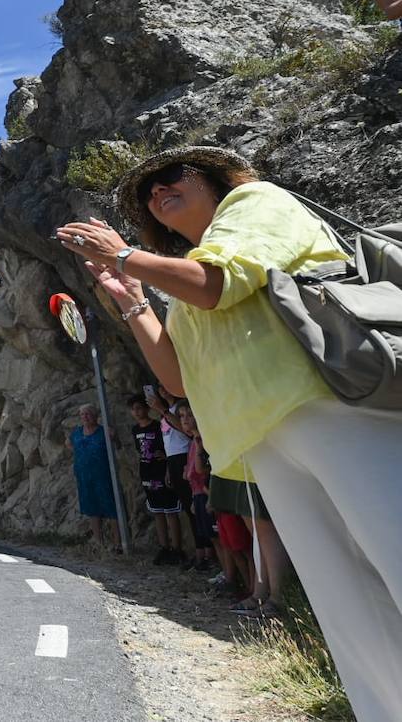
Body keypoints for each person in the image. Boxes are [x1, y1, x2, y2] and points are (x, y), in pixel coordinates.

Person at [57, 145, 402, 719]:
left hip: (329, 406)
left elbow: (219, 284)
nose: (157, 192)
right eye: (147, 194)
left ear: (215, 178)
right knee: (348, 609)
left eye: (171, 177)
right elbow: (176, 378)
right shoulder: (189, 271)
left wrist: (124, 257)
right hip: (264, 443)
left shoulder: (255, 201)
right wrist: (136, 303)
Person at [128, 395, 184, 564]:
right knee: (157, 511)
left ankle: (177, 548)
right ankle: (164, 547)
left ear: (146, 408)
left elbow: (167, 446)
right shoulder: (135, 430)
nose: (137, 412)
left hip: (161, 470)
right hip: (147, 472)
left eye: (139, 408)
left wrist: (167, 464)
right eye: (133, 409)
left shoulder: (157, 426)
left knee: (170, 511)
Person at [147, 385, 195, 556]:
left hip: (186, 455)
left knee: (194, 506)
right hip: (174, 459)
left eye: (167, 384)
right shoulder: (166, 411)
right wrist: (168, 468)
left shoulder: (181, 407)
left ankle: (207, 553)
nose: (163, 389)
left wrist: (162, 410)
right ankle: (200, 551)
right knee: (188, 509)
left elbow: (186, 431)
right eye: (160, 386)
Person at [65, 404, 118, 549]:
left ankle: (118, 543)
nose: (85, 417)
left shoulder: (103, 431)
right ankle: (98, 542)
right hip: (84, 476)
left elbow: (114, 440)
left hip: (103, 475)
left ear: (95, 416)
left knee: (111, 507)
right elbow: (69, 444)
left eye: (88, 414)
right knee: (92, 508)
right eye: (82, 414)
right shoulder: (77, 433)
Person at [178, 403, 215, 571]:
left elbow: (201, 470)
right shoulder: (194, 441)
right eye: (181, 416)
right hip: (198, 494)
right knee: (210, 536)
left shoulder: (202, 440)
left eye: (189, 415)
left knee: (218, 538)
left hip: (208, 493)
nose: (185, 420)